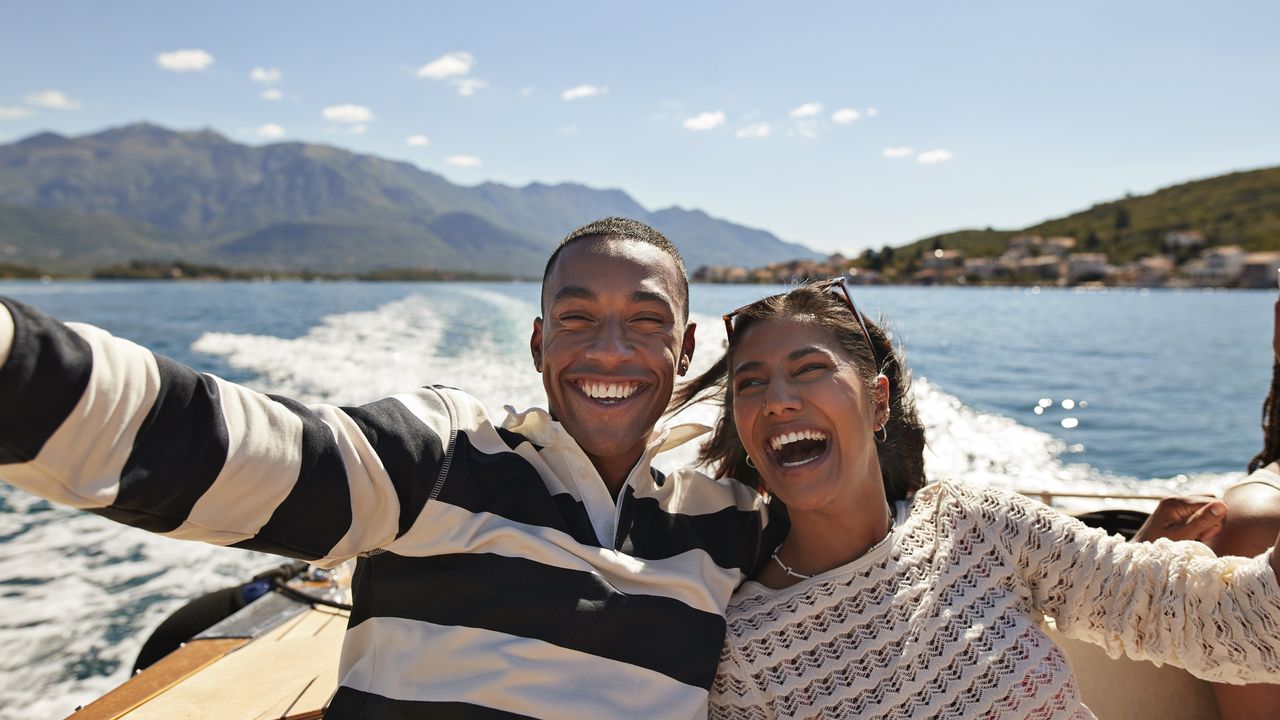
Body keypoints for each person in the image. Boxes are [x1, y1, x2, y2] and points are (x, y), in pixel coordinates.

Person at [0, 217, 777, 719]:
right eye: (577, 319)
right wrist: (17, 365)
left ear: (685, 350)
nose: (609, 349)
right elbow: (229, 447)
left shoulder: (734, 515)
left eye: (646, 322)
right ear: (539, 344)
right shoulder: (442, 454)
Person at [673, 279, 1280, 719]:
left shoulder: (978, 524)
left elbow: (1235, 620)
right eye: (750, 383)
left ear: (878, 401)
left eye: (808, 369)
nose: (776, 398)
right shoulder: (746, 648)